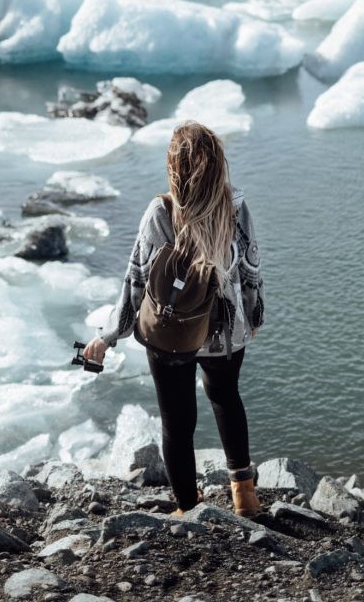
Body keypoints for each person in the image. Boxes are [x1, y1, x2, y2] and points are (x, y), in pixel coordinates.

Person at [83, 120, 265, 517]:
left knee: (177, 421)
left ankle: (187, 506)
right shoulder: (234, 205)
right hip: (225, 330)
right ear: (218, 164)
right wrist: (253, 314)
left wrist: (110, 335)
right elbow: (250, 269)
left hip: (170, 334)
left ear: (173, 169)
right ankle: (244, 497)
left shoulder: (160, 211)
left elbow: (138, 279)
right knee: (226, 398)